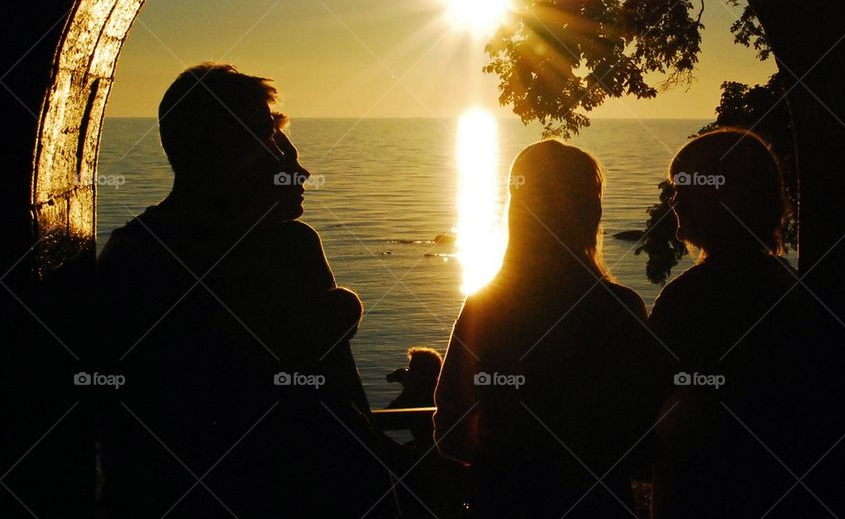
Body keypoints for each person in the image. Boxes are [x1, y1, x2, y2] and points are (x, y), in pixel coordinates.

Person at [97, 63, 395, 518]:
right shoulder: (287, 249)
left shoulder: (130, 252)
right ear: (222, 150)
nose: (294, 166)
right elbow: (338, 401)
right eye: (265, 137)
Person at [434, 139, 662, 518]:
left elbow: (450, 432)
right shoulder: (620, 308)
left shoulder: (486, 307)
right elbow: (645, 435)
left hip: (504, 502)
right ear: (590, 211)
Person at [648, 127, 800, 518]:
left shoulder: (686, 300)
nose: (674, 202)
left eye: (684, 190)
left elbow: (647, 411)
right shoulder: (790, 290)